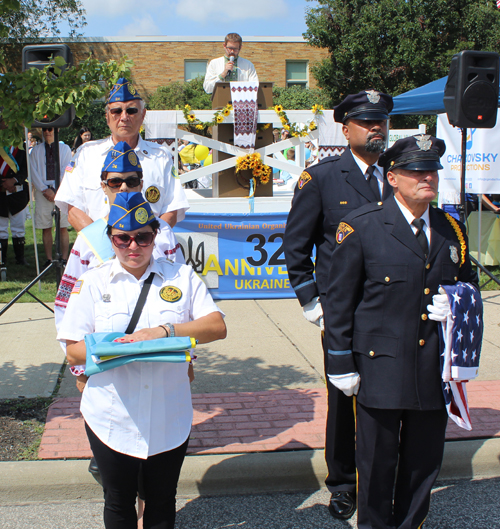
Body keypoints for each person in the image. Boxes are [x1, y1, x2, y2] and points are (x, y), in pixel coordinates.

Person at [324, 135, 479, 529]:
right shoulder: (361, 226)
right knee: (376, 465)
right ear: (392, 177)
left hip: (432, 367)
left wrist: (458, 301)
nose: (427, 177)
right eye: (416, 170)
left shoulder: (450, 229)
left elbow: (471, 284)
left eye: (432, 170)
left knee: (423, 463)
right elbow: (340, 303)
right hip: (380, 367)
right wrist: (339, 361)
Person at [58, 191, 226, 529]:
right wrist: (115, 347)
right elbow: (72, 349)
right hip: (111, 414)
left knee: (162, 500)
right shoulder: (91, 283)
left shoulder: (181, 276)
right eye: (123, 238)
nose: (133, 246)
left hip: (169, 412)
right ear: (110, 239)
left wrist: (163, 331)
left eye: (143, 237)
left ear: (155, 235)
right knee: (118, 499)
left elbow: (216, 326)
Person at [283, 90, 393, 520]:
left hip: (392, 307)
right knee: (345, 397)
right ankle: (344, 483)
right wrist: (311, 300)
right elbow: (296, 246)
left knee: (388, 395)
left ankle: (383, 474)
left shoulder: (397, 174)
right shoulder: (323, 178)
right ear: (346, 130)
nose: (377, 127)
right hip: (343, 311)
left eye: (382, 120)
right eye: (367, 122)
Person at [55, 141, 185, 380]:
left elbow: (182, 296)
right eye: (115, 182)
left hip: (161, 365)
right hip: (106, 368)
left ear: (142, 184)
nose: (124, 187)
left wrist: (187, 361)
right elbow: (65, 308)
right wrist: (80, 370)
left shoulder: (164, 234)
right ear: (103, 187)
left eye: (132, 181)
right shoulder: (88, 240)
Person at [55, 78, 189, 230]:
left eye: (131, 111)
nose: (124, 117)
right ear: (107, 117)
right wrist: (103, 245)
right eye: (117, 111)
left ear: (143, 115)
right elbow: (72, 208)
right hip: (98, 250)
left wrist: (146, 245)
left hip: (148, 249)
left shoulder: (161, 157)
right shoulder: (86, 155)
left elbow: (172, 208)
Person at [30, 127, 72, 268]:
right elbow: (33, 171)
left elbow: (66, 169)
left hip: (61, 190)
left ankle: (64, 258)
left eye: (50, 129)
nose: (47, 132)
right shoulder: (36, 150)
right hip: (43, 193)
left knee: (62, 226)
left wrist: (55, 189)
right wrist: (44, 189)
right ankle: (49, 259)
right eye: (45, 129)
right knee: (46, 226)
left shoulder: (64, 148)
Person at [0, 120, 30, 267]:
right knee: (1, 229)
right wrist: (3, 184)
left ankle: (20, 258)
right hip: (0, 193)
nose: (5, 125)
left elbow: (26, 168)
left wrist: (14, 180)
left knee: (19, 228)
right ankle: (2, 259)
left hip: (17, 193)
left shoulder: (21, 145)